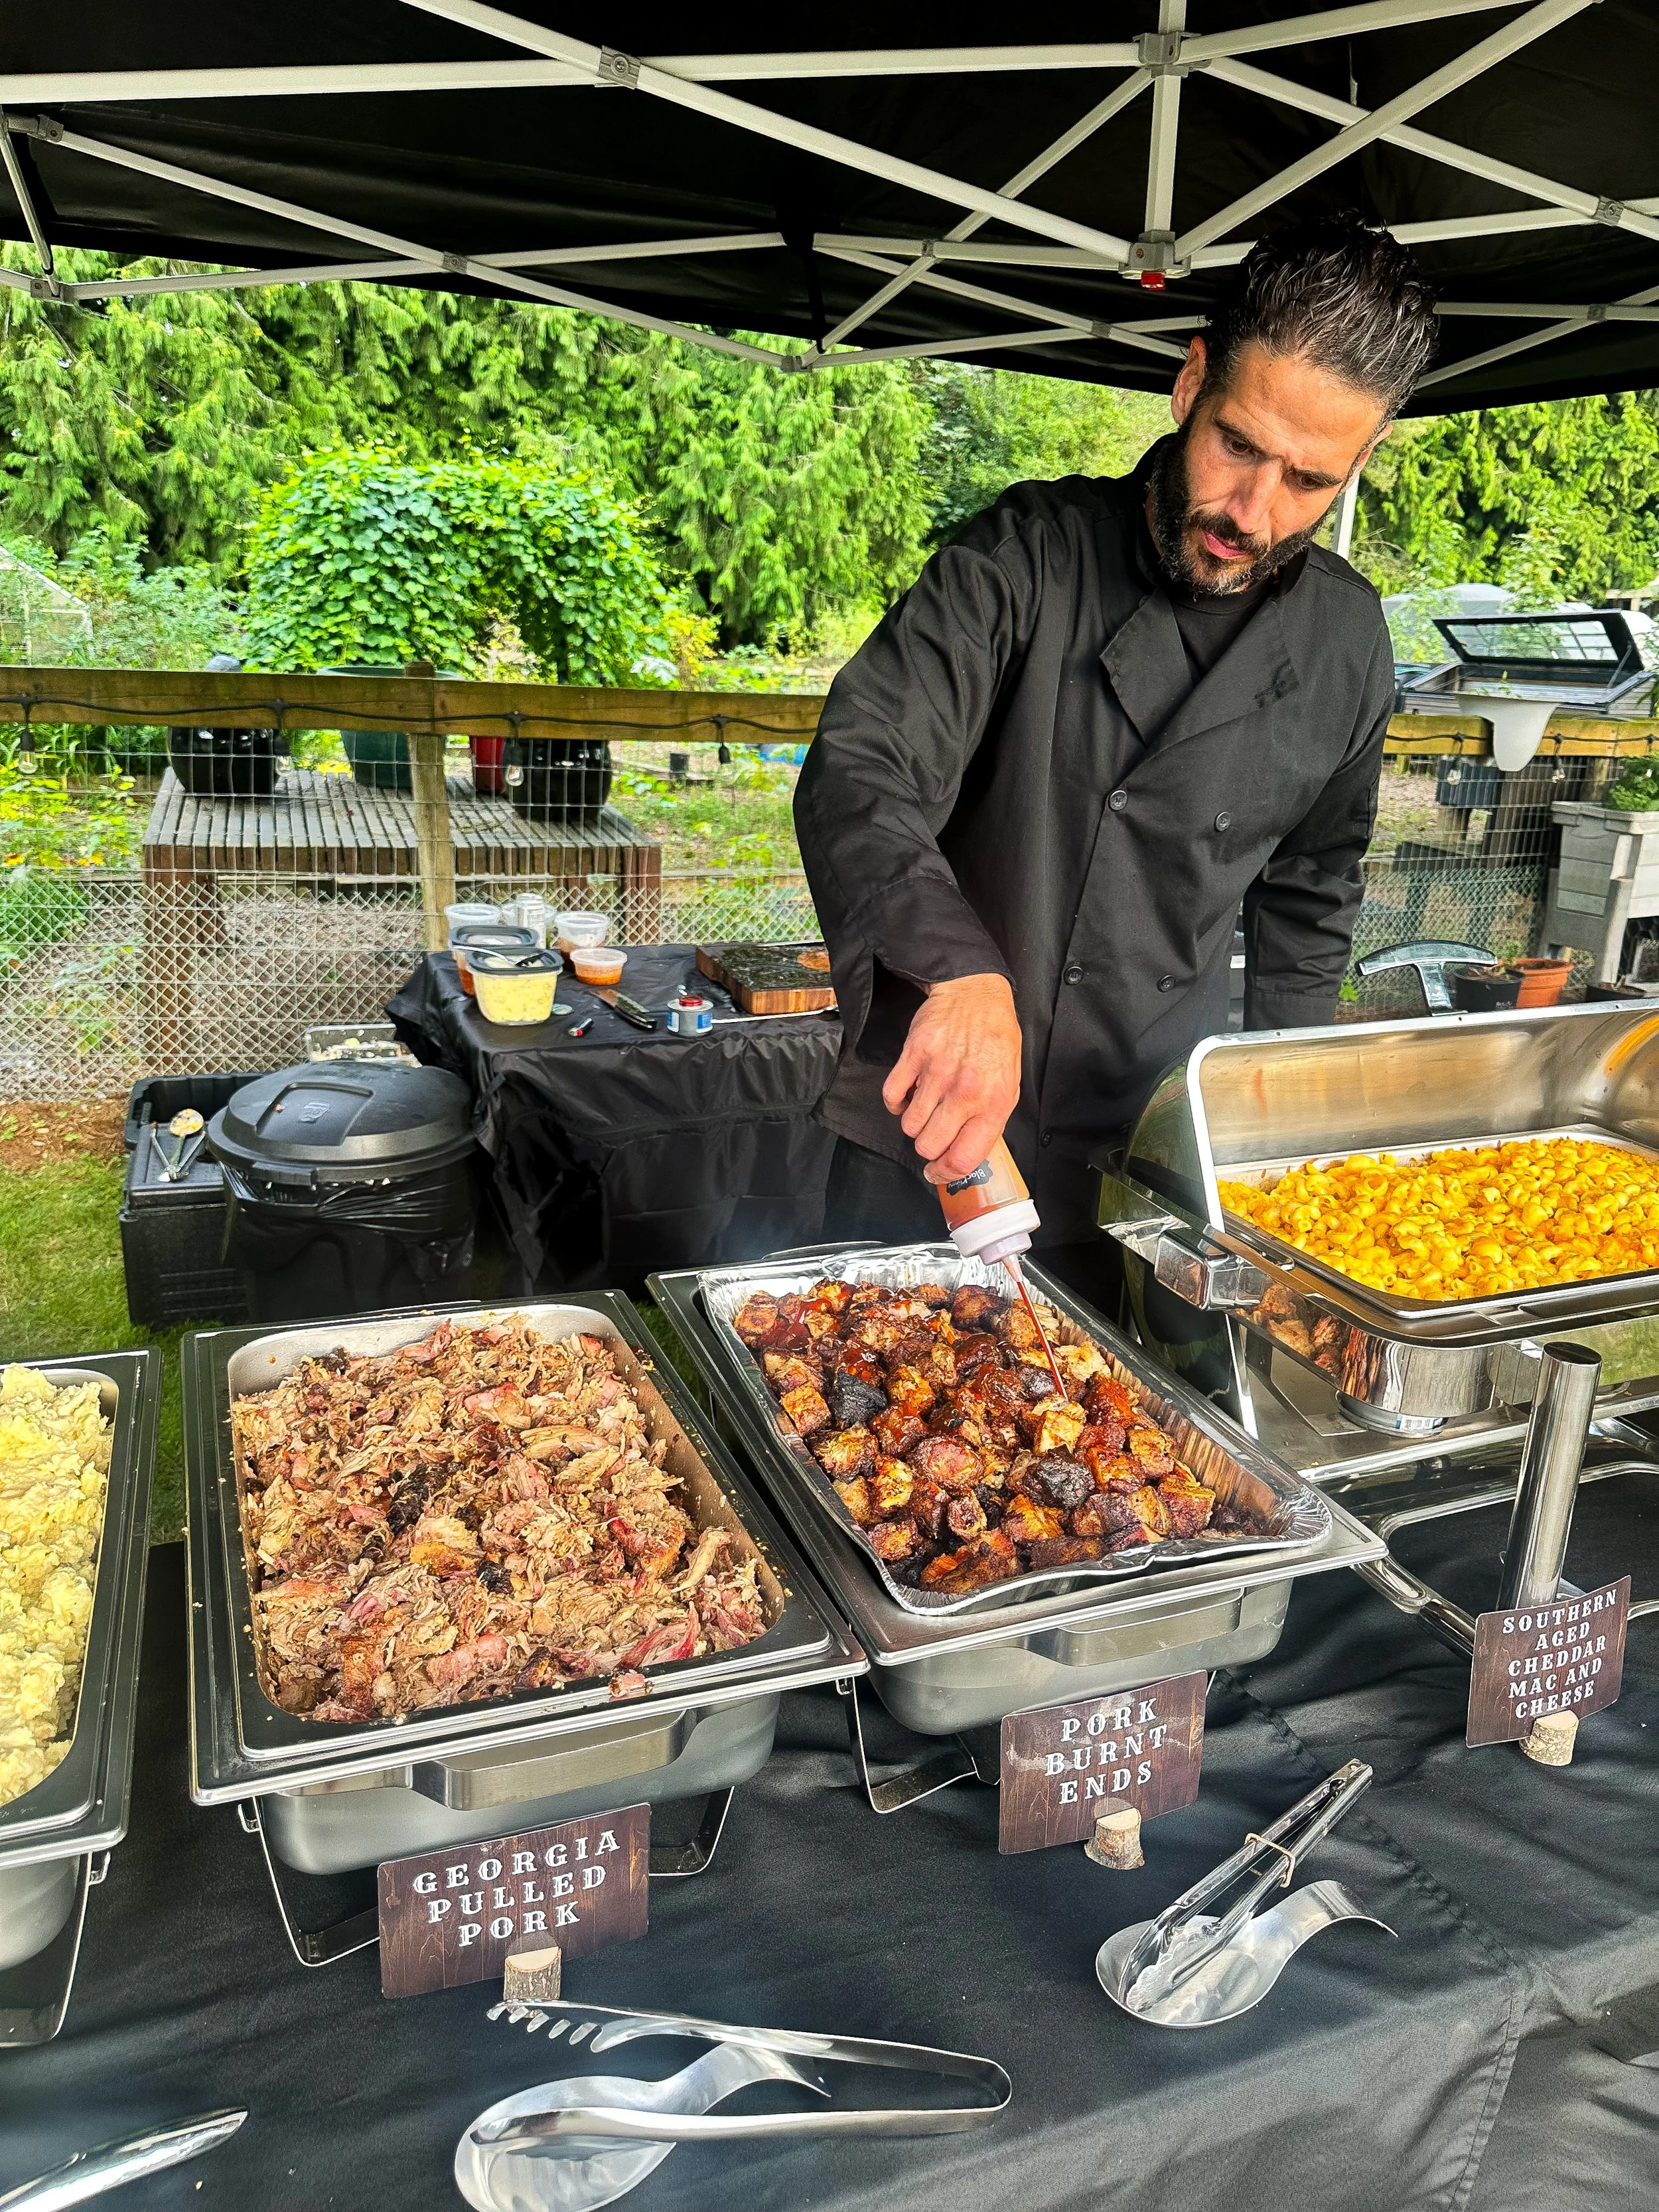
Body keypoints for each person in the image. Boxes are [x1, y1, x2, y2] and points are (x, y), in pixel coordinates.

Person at [794, 214, 1437, 1304]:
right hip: (936, 1128)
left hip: (1143, 1164)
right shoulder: (1022, 560)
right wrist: (960, 969)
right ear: (1191, 385)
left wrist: (1284, 1144)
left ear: (1363, 463)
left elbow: (1310, 904)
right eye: (1239, 445)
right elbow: (864, 768)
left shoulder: (1349, 644)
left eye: (1309, 481)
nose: (1254, 511)